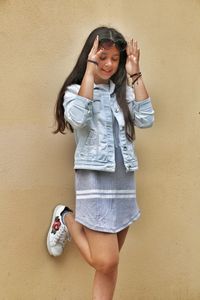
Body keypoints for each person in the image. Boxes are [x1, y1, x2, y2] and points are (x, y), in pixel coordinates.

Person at [47, 26, 154, 300]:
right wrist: (90, 73)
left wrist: (135, 73)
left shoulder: (122, 93)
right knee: (105, 261)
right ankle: (66, 218)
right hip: (95, 183)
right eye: (102, 57)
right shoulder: (75, 91)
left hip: (123, 183)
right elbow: (78, 118)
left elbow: (146, 118)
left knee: (110, 265)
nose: (108, 64)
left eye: (114, 59)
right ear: (90, 56)